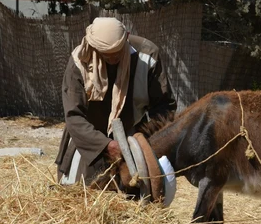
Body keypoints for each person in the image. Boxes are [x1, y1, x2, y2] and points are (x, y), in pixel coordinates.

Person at [55, 17, 177, 186]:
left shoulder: (147, 56)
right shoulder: (78, 62)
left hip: (133, 140)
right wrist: (106, 145)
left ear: (126, 37)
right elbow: (74, 117)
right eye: (106, 55)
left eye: (117, 53)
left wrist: (145, 143)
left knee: (137, 197)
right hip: (88, 142)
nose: (112, 59)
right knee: (79, 196)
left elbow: (164, 107)